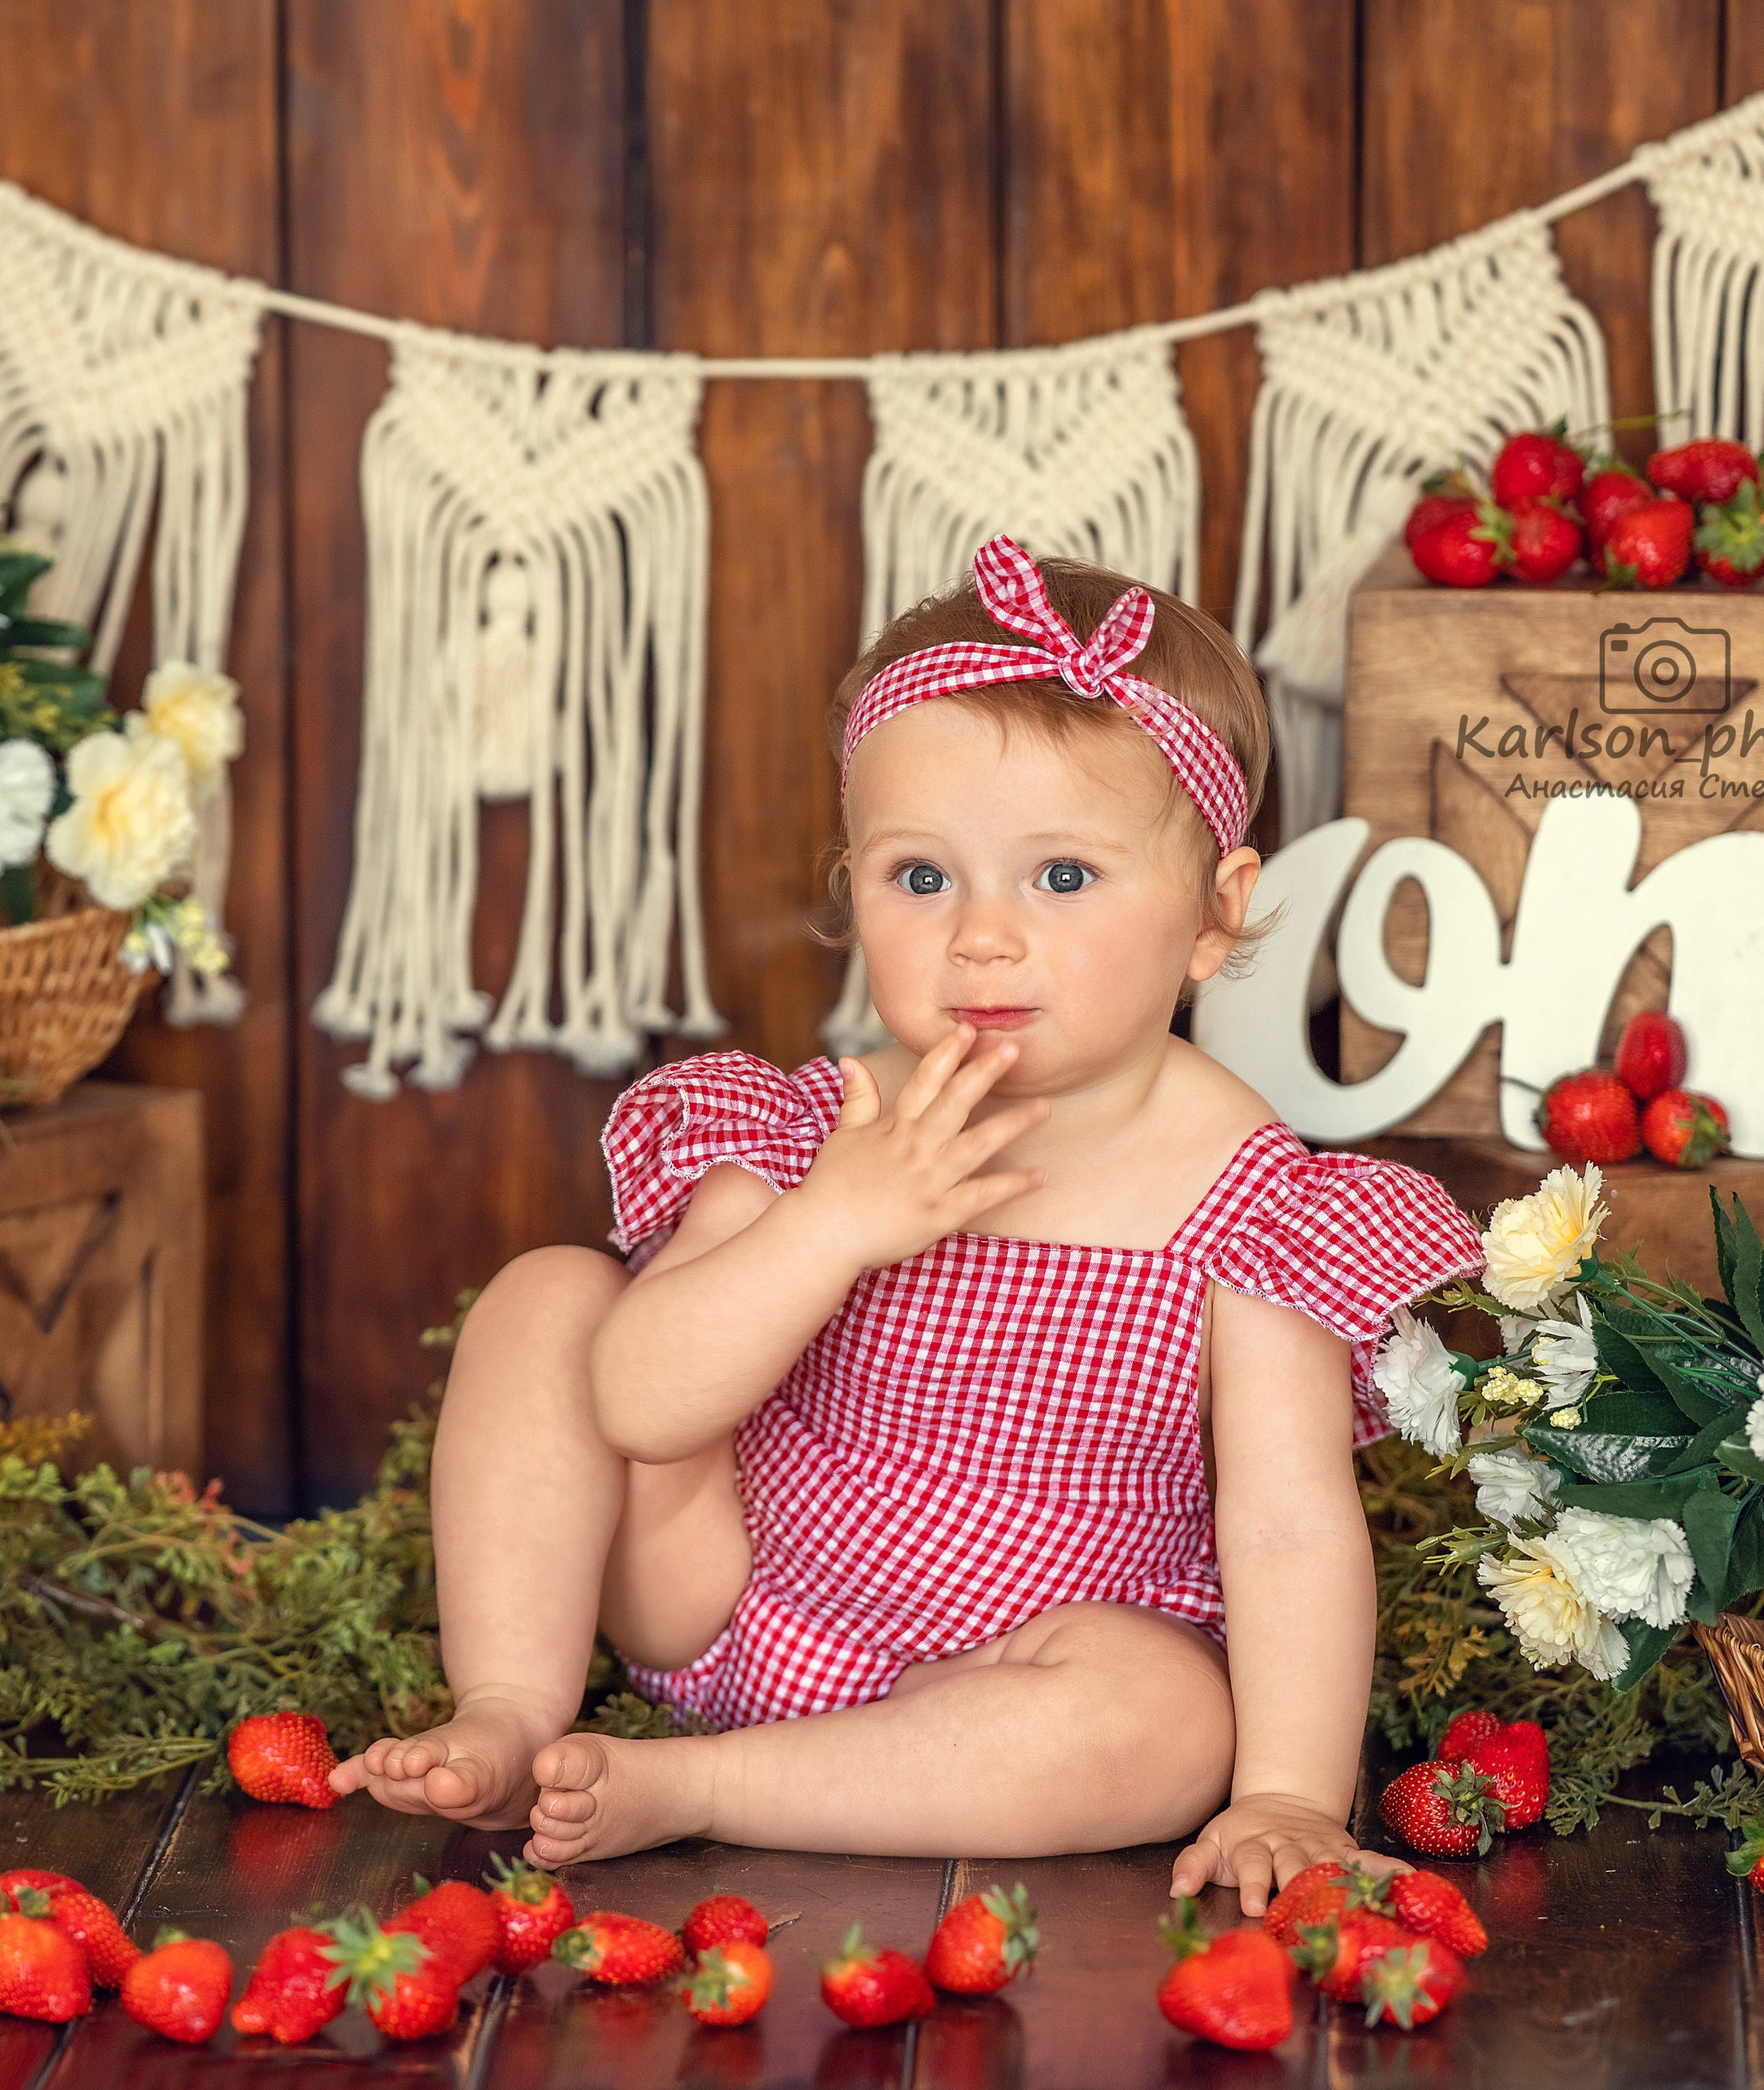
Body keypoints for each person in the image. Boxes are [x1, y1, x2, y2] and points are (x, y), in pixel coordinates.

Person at [329, 535, 1482, 1912]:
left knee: (1177, 1725)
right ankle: (512, 1705)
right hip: (735, 1590)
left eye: (1062, 878)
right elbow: (640, 1402)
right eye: (922, 878)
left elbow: (1290, 1526)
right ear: (853, 882)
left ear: (1214, 916)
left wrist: (1289, 1792)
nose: (981, 938)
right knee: (548, 1300)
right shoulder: (821, 1123)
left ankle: (692, 1791)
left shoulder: (1246, 1196)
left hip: (1027, 1671)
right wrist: (834, 1222)